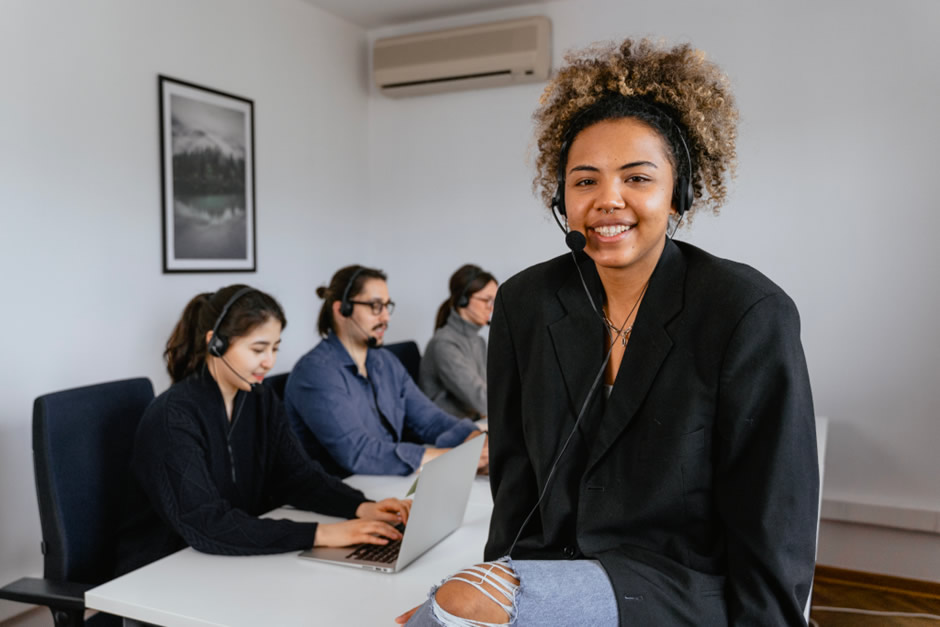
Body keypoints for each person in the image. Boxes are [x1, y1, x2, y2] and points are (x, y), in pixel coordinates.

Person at [397, 38, 819, 626]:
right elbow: (517, 486)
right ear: (561, 195)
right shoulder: (527, 301)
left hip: (683, 585)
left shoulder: (746, 310)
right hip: (563, 569)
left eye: (637, 178)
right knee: (446, 612)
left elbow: (775, 516)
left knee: (448, 610)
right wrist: (510, 595)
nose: (608, 200)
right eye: (585, 180)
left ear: (680, 192)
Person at [114, 285, 411, 577]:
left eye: (275, 348)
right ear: (215, 343)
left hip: (230, 561)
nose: (269, 361)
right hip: (162, 571)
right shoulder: (173, 416)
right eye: (258, 349)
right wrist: (321, 534)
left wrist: (360, 506)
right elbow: (206, 524)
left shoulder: (260, 398)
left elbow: (297, 477)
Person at [284, 265, 488, 477]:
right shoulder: (316, 372)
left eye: (386, 306)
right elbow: (359, 453)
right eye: (375, 307)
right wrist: (454, 458)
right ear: (341, 309)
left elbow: (429, 419)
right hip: (346, 493)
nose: (386, 318)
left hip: (385, 482)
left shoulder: (385, 362)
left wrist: (475, 440)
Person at [419, 264, 498, 420]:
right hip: (447, 430)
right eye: (487, 300)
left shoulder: (478, 341)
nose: (491, 308)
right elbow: (482, 400)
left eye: (494, 301)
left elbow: (489, 392)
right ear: (463, 300)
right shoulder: (444, 344)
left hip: (473, 423)